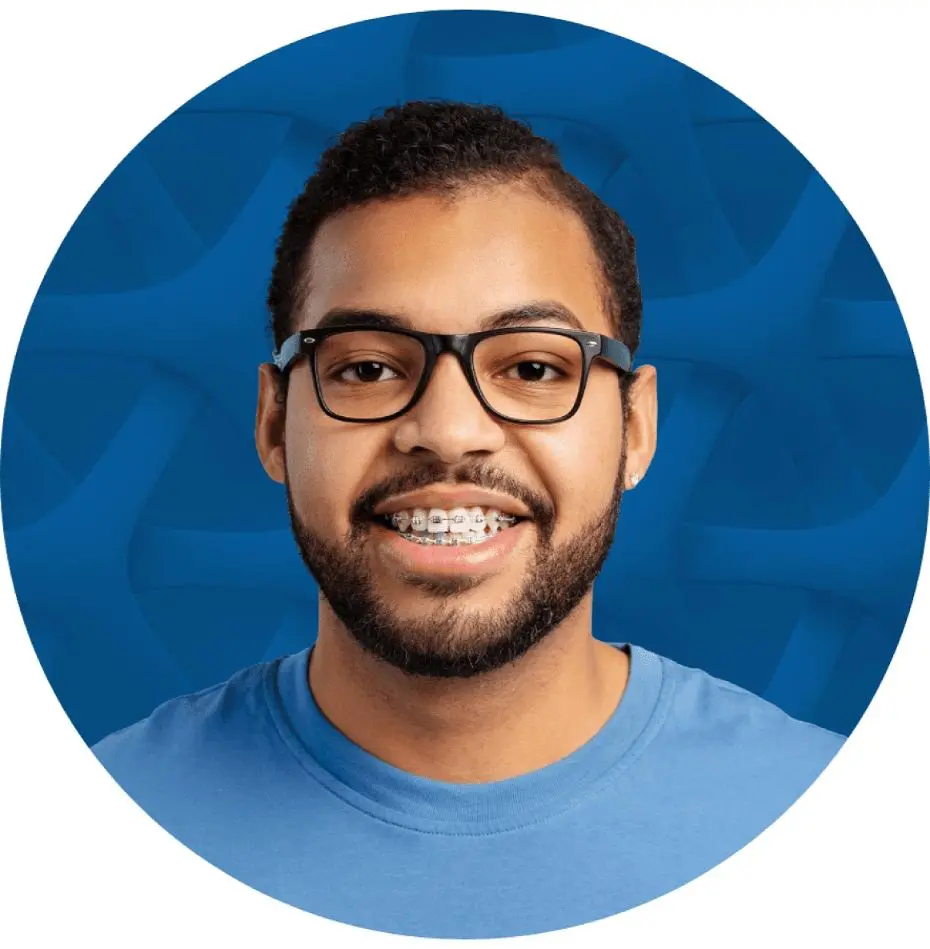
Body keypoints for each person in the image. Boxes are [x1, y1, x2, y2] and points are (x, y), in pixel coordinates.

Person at [93, 100, 844, 939]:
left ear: (636, 429)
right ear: (274, 425)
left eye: (533, 367)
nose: (449, 431)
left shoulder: (840, 833)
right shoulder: (89, 838)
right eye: (367, 368)